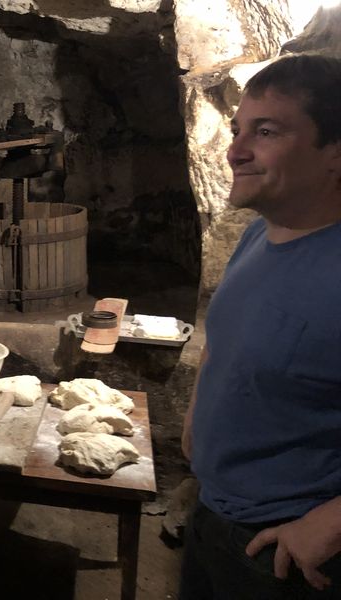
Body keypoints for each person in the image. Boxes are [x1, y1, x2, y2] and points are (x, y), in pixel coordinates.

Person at [180, 53, 341, 599]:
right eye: (237, 130)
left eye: (266, 132)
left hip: (286, 550)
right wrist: (197, 417)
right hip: (212, 513)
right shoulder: (257, 236)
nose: (235, 151)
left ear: (335, 150)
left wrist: (330, 525)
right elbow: (222, 345)